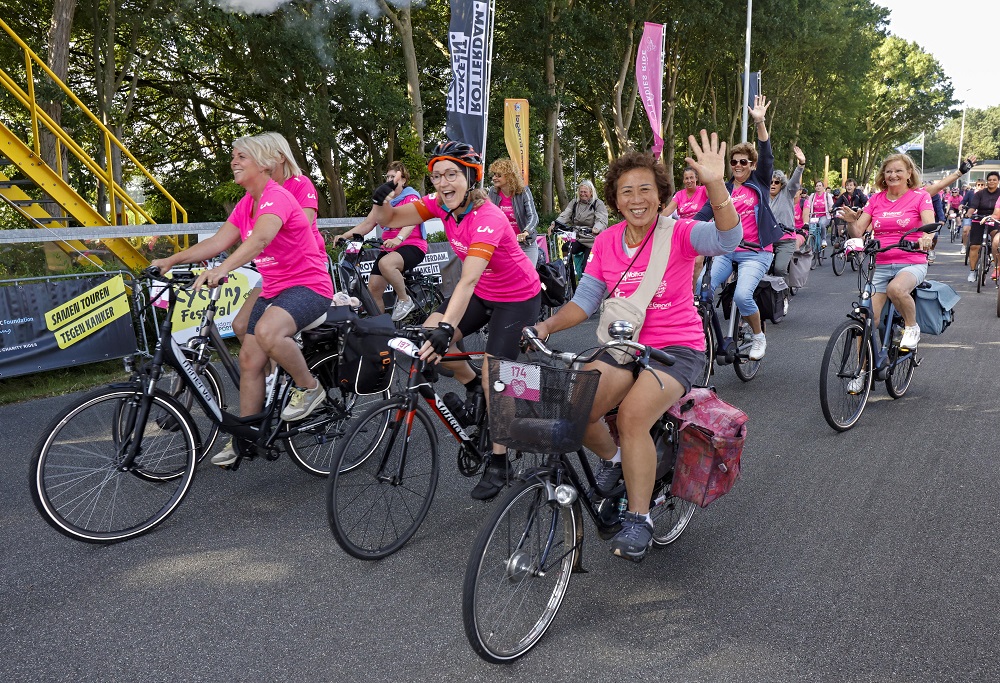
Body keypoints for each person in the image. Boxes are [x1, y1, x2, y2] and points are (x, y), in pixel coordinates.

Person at [532, 131, 741, 562]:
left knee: (630, 416)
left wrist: (716, 183)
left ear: (661, 194)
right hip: (624, 346)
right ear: (615, 199)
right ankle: (617, 460)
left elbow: (727, 240)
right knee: (577, 406)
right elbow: (585, 300)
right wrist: (547, 326)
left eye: (646, 188)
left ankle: (640, 517)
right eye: (626, 191)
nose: (636, 198)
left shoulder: (680, 233)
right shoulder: (607, 241)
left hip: (676, 350)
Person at [371, 141, 542, 501]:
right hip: (483, 291)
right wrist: (381, 197)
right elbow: (387, 219)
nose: (443, 183)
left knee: (497, 375)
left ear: (469, 177)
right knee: (435, 332)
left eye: (451, 175)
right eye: (436, 176)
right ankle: (471, 386)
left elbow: (466, 280)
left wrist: (448, 327)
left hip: (517, 297)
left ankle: (500, 463)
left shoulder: (489, 217)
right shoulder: (440, 205)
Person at [152, 133, 334, 465]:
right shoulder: (247, 202)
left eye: (241, 156)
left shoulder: (276, 196)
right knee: (250, 360)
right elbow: (219, 241)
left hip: (309, 286)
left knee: (267, 332)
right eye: (233, 156)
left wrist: (222, 269)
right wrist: (171, 260)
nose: (233, 161)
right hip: (275, 287)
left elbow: (263, 236)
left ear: (264, 163)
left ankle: (309, 387)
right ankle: (245, 439)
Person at [693, 93, 777, 361]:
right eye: (734, 162)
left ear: (751, 166)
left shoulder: (760, 182)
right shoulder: (724, 188)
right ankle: (698, 337)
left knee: (742, 296)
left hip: (756, 252)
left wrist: (760, 122)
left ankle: (758, 335)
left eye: (744, 162)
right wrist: (681, 228)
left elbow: (766, 155)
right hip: (727, 251)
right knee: (700, 290)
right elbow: (705, 212)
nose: (738, 166)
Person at [231, 132, 325, 345]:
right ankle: (266, 378)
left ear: (281, 157)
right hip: (274, 270)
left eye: (264, 153)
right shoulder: (257, 193)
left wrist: (259, 247)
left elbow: (303, 228)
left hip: (303, 268)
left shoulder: (300, 184)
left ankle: (287, 374)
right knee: (240, 325)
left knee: (269, 331)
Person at [838, 153, 935, 356]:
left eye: (898, 171)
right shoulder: (876, 199)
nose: (893, 175)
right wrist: (850, 221)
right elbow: (858, 232)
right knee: (866, 319)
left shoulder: (920, 196)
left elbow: (929, 225)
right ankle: (861, 373)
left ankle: (911, 326)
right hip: (881, 262)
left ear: (909, 173)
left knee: (896, 289)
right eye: (889, 171)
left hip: (912, 261)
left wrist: (926, 237)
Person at [334, 162, 428, 321]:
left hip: (412, 246)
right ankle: (381, 327)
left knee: (386, 264)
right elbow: (368, 224)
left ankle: (406, 300)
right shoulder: (383, 202)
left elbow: (412, 221)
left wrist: (399, 238)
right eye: (388, 177)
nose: (390, 180)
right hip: (389, 250)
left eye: (394, 177)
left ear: (403, 180)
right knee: (373, 291)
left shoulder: (411, 197)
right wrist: (345, 235)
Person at [487, 158, 539, 264]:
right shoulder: (493, 192)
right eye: (494, 175)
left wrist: (526, 232)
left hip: (525, 245)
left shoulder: (524, 191)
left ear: (509, 177)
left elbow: (533, 216)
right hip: (503, 246)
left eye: (498, 175)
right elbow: (488, 217)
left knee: (527, 278)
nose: (494, 178)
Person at [551, 179, 609, 273]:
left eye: (585, 192)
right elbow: (565, 214)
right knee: (566, 247)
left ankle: (587, 278)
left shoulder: (598, 203)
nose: (582, 194)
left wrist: (596, 228)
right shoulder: (574, 203)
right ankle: (568, 270)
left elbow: (602, 219)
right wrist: (555, 224)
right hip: (578, 237)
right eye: (581, 192)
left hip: (592, 239)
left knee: (586, 268)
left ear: (591, 192)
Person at [768, 145, 806, 276]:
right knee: (761, 269)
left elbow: (795, 181)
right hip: (768, 240)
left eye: (776, 182)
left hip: (786, 240)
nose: (773, 184)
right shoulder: (763, 197)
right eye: (771, 182)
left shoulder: (787, 193)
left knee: (779, 269)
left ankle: (782, 294)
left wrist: (801, 164)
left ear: (782, 185)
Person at [966, 170, 1000, 282]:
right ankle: (972, 271)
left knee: (996, 239)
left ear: (998, 181)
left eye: (994, 180)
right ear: (987, 181)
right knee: (974, 246)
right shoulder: (979, 194)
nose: (991, 182)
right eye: (989, 180)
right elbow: (973, 206)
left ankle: (995, 263)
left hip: (995, 219)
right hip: (979, 219)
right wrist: (969, 213)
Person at [807, 180, 834, 254]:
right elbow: (808, 206)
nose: (818, 187)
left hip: (824, 215)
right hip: (814, 215)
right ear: (815, 188)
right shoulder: (812, 196)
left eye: (820, 186)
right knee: (811, 228)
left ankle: (823, 240)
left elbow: (831, 205)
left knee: (821, 224)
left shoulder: (827, 195)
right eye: (816, 186)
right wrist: (808, 212)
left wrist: (830, 209)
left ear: (823, 187)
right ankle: (811, 243)